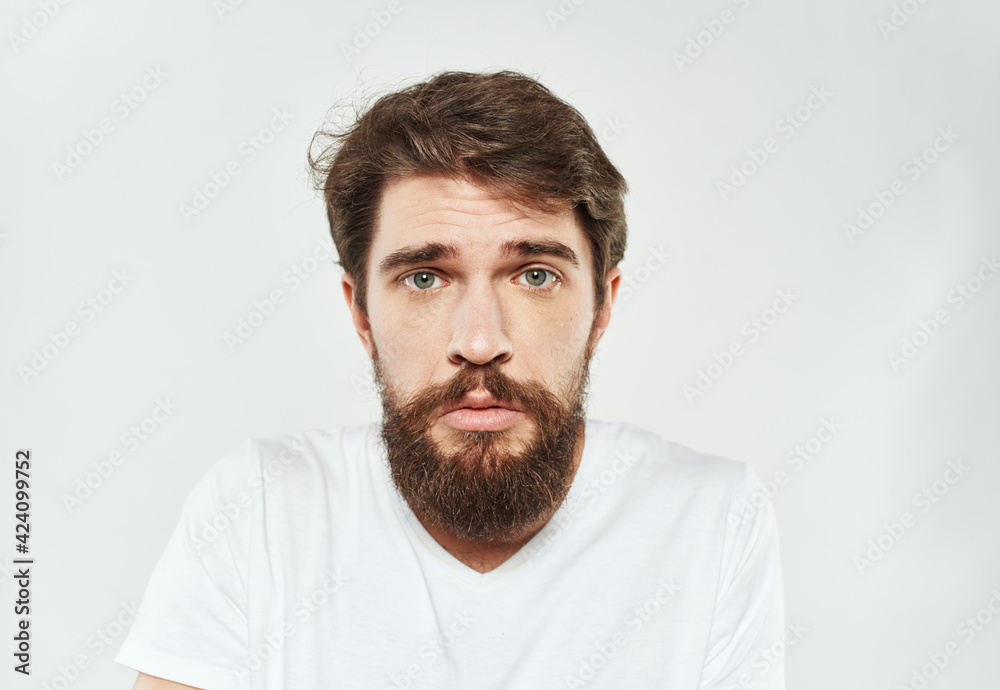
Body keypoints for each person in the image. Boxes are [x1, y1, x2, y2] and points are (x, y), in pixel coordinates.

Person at [116, 70, 786, 689]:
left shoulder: (711, 517)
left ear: (603, 305)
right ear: (360, 311)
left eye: (535, 275)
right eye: (425, 278)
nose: (480, 343)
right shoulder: (258, 510)